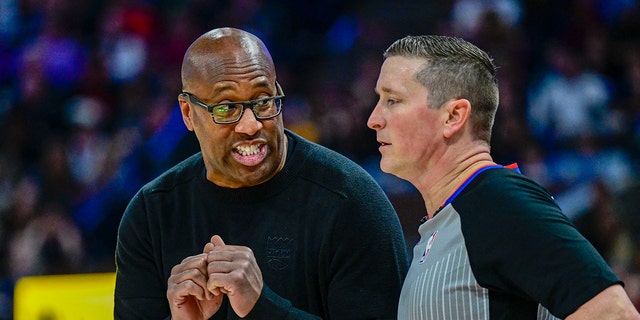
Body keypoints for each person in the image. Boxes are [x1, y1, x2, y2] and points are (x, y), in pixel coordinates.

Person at [114, 27, 409, 319]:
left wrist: (261, 307)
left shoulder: (352, 201)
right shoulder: (151, 214)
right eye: (227, 107)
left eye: (263, 101)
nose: (251, 125)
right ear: (188, 113)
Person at [367, 34, 640, 319]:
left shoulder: (499, 203)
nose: (373, 119)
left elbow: (615, 313)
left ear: (453, 117)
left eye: (393, 100)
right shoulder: (457, 217)